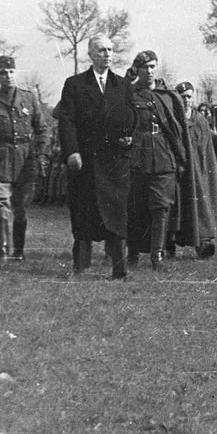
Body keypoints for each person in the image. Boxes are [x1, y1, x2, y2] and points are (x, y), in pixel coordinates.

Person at [56, 36, 133, 278]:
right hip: (85, 162)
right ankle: (80, 266)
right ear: (90, 54)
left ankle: (120, 269)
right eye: (101, 50)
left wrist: (129, 138)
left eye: (110, 50)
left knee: (117, 214)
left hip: (114, 163)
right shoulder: (75, 85)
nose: (107, 54)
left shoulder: (122, 85)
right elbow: (66, 121)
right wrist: (72, 151)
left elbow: (131, 119)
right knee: (83, 213)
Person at [0, 54, 48, 260]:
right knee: (1, 206)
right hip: (0, 157)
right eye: (3, 73)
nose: (8, 76)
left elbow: (42, 128)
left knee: (21, 207)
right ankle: (2, 255)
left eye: (11, 72)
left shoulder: (28, 98)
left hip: (25, 159)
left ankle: (19, 252)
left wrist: (41, 155)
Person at [122, 52, 188, 271]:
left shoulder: (167, 96)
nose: (149, 71)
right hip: (137, 157)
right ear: (137, 69)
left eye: (153, 67)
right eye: (145, 67)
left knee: (160, 208)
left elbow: (176, 131)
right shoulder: (129, 94)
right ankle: (132, 252)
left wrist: (180, 158)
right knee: (135, 207)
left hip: (162, 158)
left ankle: (156, 256)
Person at [173, 81, 217, 258]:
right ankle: (170, 242)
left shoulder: (200, 121)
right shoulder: (172, 118)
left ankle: (203, 242)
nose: (186, 100)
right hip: (179, 170)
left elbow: (206, 149)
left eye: (189, 96)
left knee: (201, 206)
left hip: (199, 171)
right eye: (182, 97)